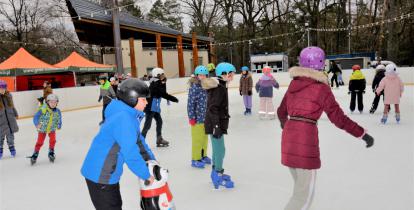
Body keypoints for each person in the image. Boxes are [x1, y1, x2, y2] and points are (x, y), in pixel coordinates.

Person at [277, 46, 374, 210]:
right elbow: (338, 118)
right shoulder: (321, 88)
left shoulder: (294, 84)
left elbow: (281, 111)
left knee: (299, 190)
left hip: (288, 140)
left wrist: (288, 127)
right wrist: (362, 134)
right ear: (321, 64)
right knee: (303, 198)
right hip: (305, 142)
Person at [81, 78, 156, 210]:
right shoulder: (124, 119)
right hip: (101, 175)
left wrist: (150, 160)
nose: (147, 102)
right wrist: (146, 174)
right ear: (132, 99)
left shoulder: (128, 114)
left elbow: (138, 141)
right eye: (143, 99)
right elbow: (130, 153)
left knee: (115, 205)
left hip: (105, 172)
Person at [202, 62, 235, 189]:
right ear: (224, 74)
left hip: (214, 123)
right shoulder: (219, 88)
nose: (232, 76)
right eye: (231, 74)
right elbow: (213, 108)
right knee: (220, 150)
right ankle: (217, 175)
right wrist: (216, 126)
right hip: (215, 123)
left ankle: (216, 172)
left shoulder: (220, 85)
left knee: (217, 150)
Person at [141, 68, 179, 147]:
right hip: (150, 107)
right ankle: (140, 142)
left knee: (159, 121)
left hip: (155, 106)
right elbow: (163, 93)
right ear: (158, 75)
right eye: (162, 74)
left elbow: (162, 92)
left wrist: (163, 82)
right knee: (147, 125)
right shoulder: (155, 84)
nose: (164, 75)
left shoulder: (157, 82)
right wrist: (173, 99)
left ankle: (159, 138)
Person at [187, 65, 211, 168]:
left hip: (206, 118)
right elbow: (190, 103)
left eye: (204, 75)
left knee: (204, 138)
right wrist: (191, 117)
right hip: (197, 119)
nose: (202, 77)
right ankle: (195, 159)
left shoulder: (207, 86)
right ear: (196, 76)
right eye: (200, 75)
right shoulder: (194, 87)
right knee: (197, 139)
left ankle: (203, 155)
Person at [29, 94, 62, 165]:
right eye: (51, 102)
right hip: (43, 129)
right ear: (47, 102)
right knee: (40, 142)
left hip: (52, 129)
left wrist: (59, 124)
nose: (53, 104)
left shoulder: (57, 111)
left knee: (53, 140)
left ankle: (51, 152)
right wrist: (37, 124)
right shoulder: (43, 109)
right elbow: (36, 117)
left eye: (55, 102)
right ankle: (35, 153)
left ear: (57, 103)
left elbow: (59, 118)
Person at [0, 80, 18, 159]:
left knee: (10, 136)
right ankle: (0, 151)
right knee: (0, 137)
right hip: (1, 121)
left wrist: (15, 113)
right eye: (1, 88)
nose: (2, 90)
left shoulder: (9, 96)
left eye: (4, 88)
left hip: (10, 120)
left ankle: (12, 149)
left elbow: (12, 106)